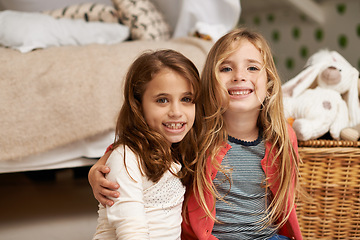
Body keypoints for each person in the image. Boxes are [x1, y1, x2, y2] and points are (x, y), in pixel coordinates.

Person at [89, 28, 303, 240]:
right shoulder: (198, 131)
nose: (240, 76)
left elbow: (285, 206)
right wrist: (98, 168)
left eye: (252, 68)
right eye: (226, 68)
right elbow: (139, 145)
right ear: (210, 83)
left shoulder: (281, 137)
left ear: (270, 83)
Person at [91, 49, 202, 240]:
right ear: (138, 104)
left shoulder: (177, 150)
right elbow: (132, 232)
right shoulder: (126, 158)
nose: (176, 111)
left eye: (186, 99)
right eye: (162, 100)